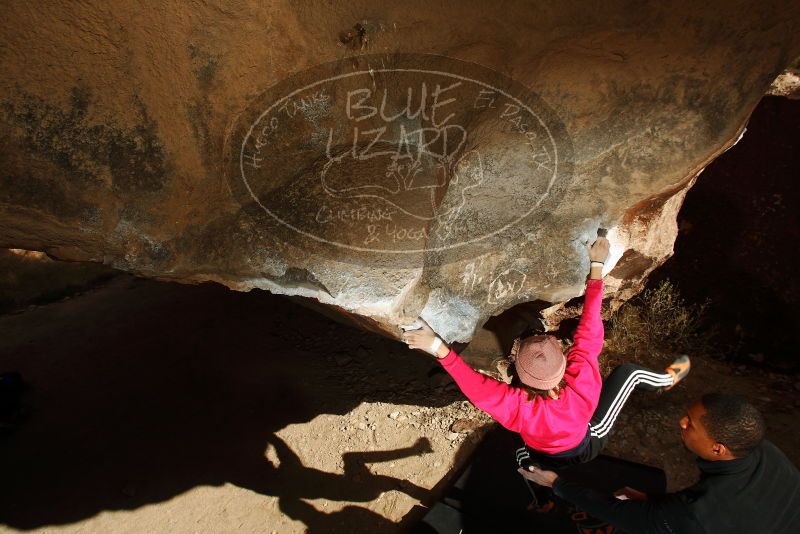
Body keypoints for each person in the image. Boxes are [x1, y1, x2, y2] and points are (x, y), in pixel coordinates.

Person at [402, 235, 691, 469]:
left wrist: (437, 346)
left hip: (542, 451)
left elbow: (476, 387)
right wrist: (597, 266)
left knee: (527, 466)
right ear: (563, 362)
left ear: (517, 370)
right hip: (585, 444)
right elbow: (590, 326)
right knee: (629, 374)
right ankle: (665, 380)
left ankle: (543, 497)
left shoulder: (519, 407)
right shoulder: (581, 381)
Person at [519, 393, 800, 533]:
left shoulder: (701, 514)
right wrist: (651, 499)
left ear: (718, 448)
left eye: (690, 424)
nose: (682, 422)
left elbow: (620, 514)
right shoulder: (764, 452)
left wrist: (557, 483)